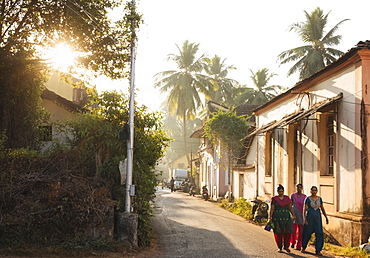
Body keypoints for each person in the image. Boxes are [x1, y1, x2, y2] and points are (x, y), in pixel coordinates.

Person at [301, 186, 329, 256]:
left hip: (317, 218)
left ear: (317, 191)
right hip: (310, 217)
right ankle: (303, 247)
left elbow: (322, 208)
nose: (314, 192)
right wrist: (305, 219)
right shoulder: (308, 199)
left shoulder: (319, 199)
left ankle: (318, 250)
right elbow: (304, 209)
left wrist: (326, 217)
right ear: (310, 191)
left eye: (315, 190)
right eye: (312, 190)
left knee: (319, 233)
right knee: (307, 232)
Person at [269, 184, 295, 253]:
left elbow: (290, 208)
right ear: (277, 192)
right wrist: (270, 217)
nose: (281, 193)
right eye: (280, 191)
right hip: (277, 218)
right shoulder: (274, 199)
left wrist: (293, 216)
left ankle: (286, 247)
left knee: (287, 232)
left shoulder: (287, 199)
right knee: (278, 232)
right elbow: (272, 209)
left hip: (286, 218)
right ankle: (279, 247)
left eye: (282, 191)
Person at [290, 183, 306, 250]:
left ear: (302, 188)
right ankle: (293, 242)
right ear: (296, 188)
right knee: (293, 230)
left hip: (301, 214)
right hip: (294, 214)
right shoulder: (293, 195)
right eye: (297, 187)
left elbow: (305, 206)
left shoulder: (305, 196)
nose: (299, 189)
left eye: (300, 187)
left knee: (301, 231)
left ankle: (299, 245)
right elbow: (291, 205)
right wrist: (292, 213)